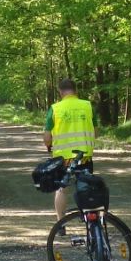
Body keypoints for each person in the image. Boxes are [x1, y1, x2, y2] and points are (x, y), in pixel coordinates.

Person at [42, 78, 97, 221]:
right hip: (84, 156)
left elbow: (47, 137)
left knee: (61, 189)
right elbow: (96, 131)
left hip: (62, 158)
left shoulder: (55, 108)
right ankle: (89, 221)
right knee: (85, 186)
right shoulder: (87, 106)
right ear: (76, 90)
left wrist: (49, 146)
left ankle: (61, 224)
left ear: (60, 92)